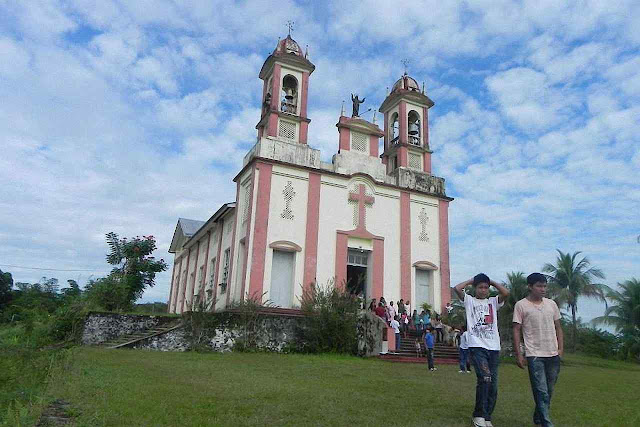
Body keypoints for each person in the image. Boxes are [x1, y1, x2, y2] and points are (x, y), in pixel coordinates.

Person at [454, 273, 510, 427]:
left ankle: (487, 416)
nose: (483, 290)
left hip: (493, 347)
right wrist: (473, 280)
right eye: (480, 287)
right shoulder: (469, 300)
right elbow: (457, 288)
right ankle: (478, 415)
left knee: (493, 384)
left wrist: (491, 280)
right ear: (475, 288)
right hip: (477, 346)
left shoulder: (493, 302)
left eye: (486, 287)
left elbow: (506, 293)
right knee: (484, 378)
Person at [513, 273, 564, 427]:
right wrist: (519, 354)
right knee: (541, 391)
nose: (543, 289)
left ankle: (538, 417)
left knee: (548, 390)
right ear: (530, 287)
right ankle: (546, 423)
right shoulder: (521, 305)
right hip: (534, 354)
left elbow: (558, 327)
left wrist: (560, 348)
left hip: (553, 353)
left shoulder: (551, 304)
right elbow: (516, 330)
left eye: (544, 286)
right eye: (539, 286)